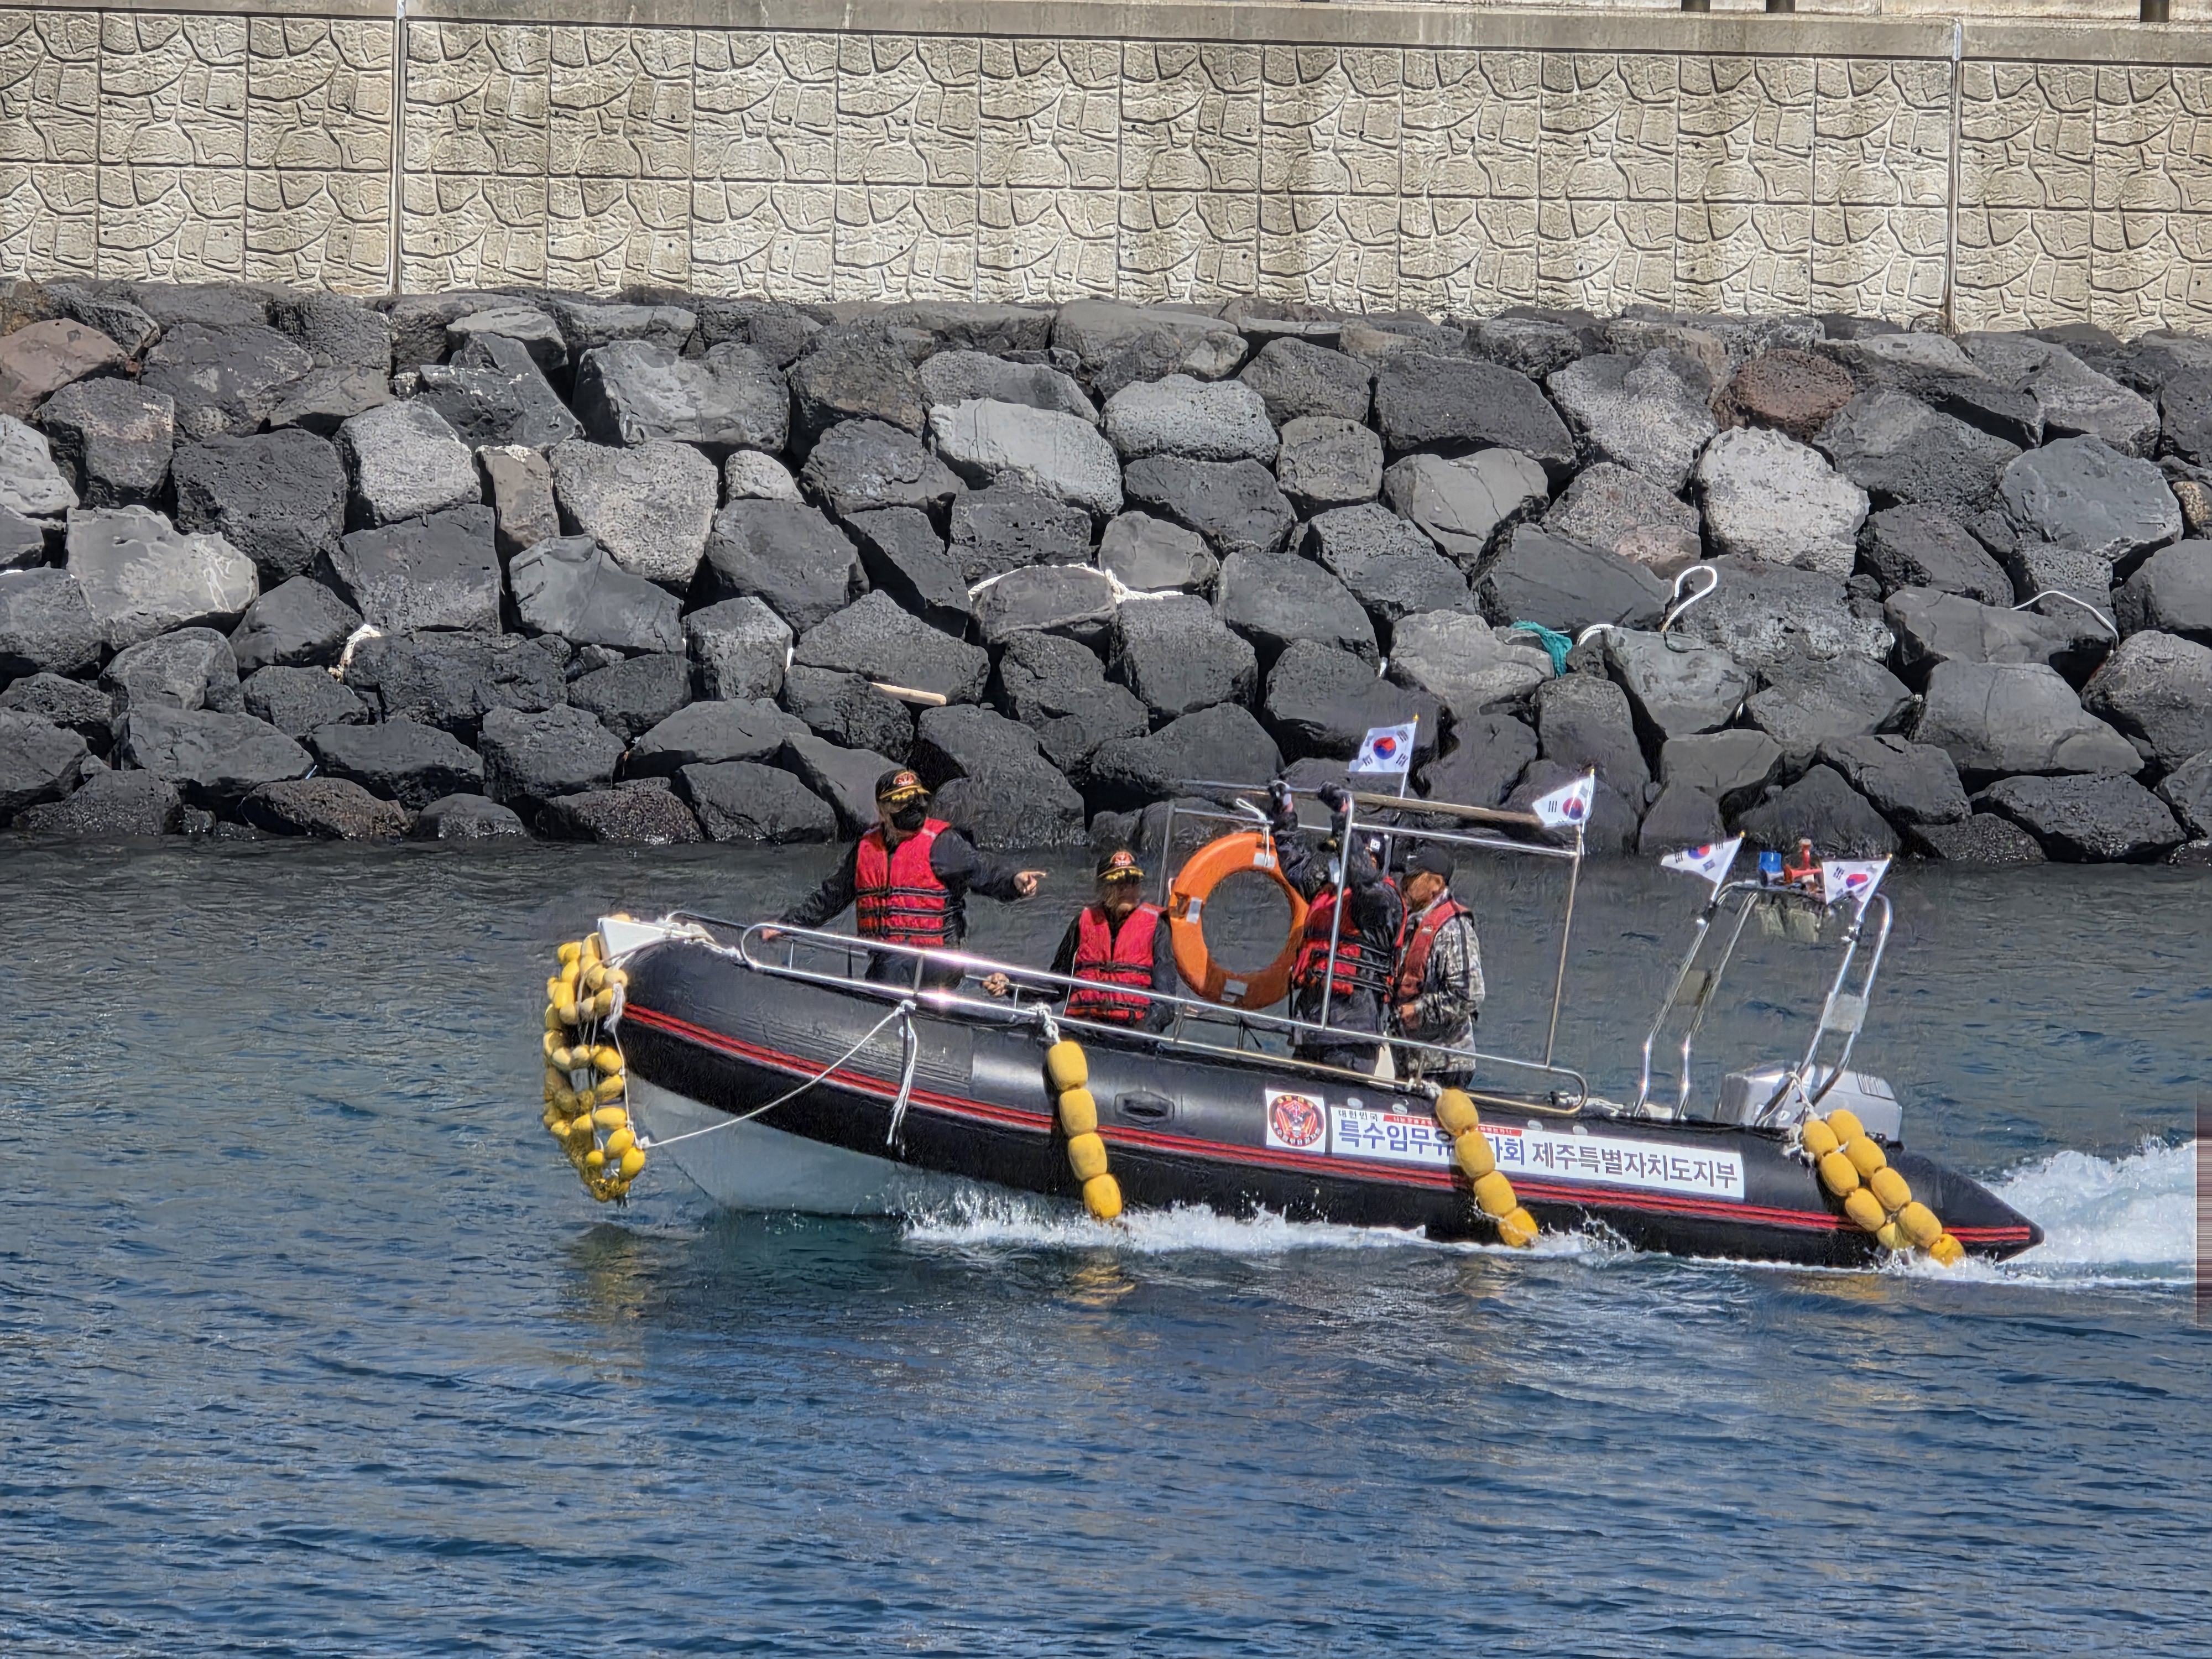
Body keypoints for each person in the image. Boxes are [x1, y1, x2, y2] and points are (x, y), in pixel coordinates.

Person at [776, 768, 1044, 989]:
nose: (912, 807)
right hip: (890, 958)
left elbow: (983, 870)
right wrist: (789, 924)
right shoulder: (866, 848)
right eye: (901, 802)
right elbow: (834, 895)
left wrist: (1014, 880)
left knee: (893, 969)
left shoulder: (942, 843)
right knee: (888, 968)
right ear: (882, 809)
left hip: (937, 959)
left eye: (917, 799)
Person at [1269, 778, 1403, 1072]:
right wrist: (1285, 813)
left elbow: (1364, 880)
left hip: (1350, 1036)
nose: (1340, 860)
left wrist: (1345, 818)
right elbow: (1296, 866)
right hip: (1312, 1027)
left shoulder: (1382, 902)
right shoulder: (1329, 893)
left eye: (1350, 854)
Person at [984, 847, 1176, 1032]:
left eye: (1133, 881)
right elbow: (1057, 984)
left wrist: (1143, 1031)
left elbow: (1165, 1002)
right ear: (1102, 888)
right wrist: (1011, 984)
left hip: (1132, 1033)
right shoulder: (1082, 923)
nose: (1127, 888)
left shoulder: (1158, 928)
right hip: (1082, 1030)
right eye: (1118, 882)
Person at [1390, 843, 1486, 1087]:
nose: (1404, 883)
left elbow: (1469, 994)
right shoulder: (1410, 923)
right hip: (1410, 1062)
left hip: (1445, 1066)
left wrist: (1418, 1011)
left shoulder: (1454, 928)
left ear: (1436, 884)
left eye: (1413, 877)